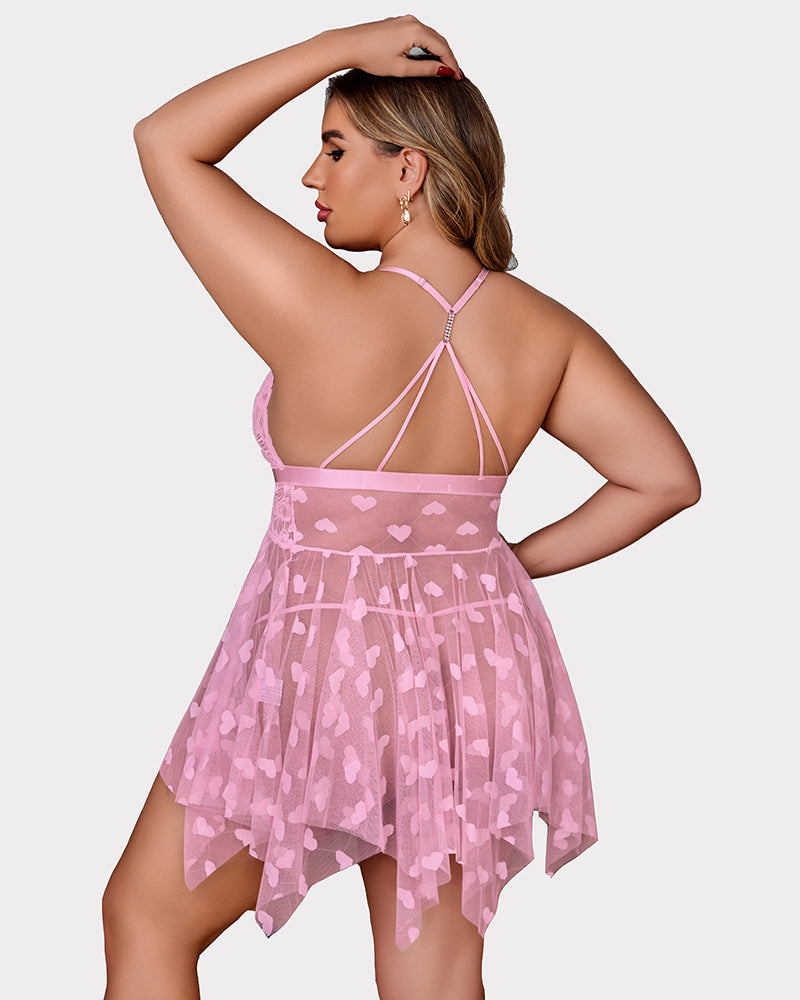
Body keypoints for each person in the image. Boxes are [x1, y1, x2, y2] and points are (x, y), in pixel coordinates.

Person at [102, 15, 701, 1000]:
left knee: (147, 917)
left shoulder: (316, 305)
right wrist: (503, 562)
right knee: (433, 981)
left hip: (319, 668)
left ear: (409, 170)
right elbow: (661, 479)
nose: (311, 176)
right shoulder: (544, 331)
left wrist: (345, 41)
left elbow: (166, 140)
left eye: (335, 148)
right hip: (473, 669)